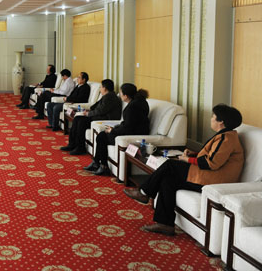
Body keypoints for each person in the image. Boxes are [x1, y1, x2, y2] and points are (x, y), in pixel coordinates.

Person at [124, 105, 244, 236]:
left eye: (213, 117)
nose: (211, 119)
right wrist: (194, 154)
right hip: (208, 176)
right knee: (167, 180)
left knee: (170, 165)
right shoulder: (225, 136)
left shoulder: (226, 139)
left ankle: (144, 192)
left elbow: (211, 163)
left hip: (213, 181)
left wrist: (187, 159)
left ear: (221, 122)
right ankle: (165, 224)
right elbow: (213, 156)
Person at [86, 83, 149, 176]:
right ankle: (97, 163)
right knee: (102, 135)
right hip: (135, 130)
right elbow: (129, 123)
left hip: (132, 134)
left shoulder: (132, 107)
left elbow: (128, 127)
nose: (120, 95)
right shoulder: (139, 102)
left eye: (121, 93)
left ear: (126, 96)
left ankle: (103, 166)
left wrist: (113, 131)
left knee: (101, 137)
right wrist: (115, 128)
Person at [60, 79, 122, 155]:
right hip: (100, 117)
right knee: (77, 119)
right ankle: (72, 144)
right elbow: (95, 107)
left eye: (101, 87)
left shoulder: (110, 97)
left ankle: (80, 148)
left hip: (105, 119)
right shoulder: (107, 96)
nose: (100, 89)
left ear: (105, 88)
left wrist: (88, 114)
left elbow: (100, 111)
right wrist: (87, 110)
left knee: (81, 122)